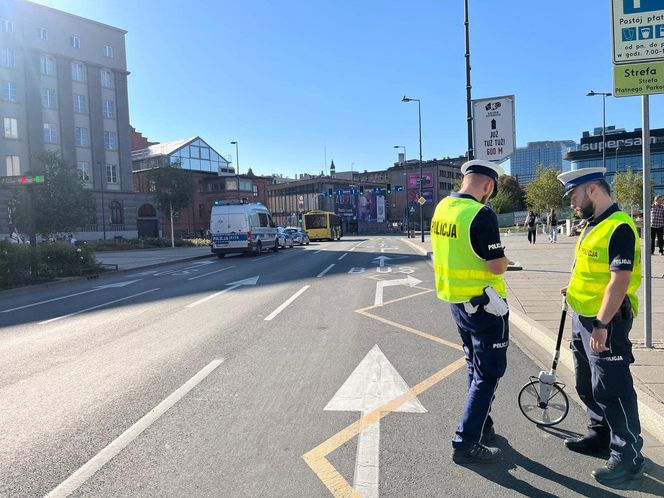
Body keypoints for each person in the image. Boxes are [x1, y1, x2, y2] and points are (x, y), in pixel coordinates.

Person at [557, 167, 644, 486]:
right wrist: (574, 290)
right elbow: (591, 271)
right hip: (583, 317)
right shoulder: (594, 225)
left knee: (613, 390)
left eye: (574, 196)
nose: (572, 204)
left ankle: (628, 457)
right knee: (586, 384)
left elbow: (618, 280)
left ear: (592, 189)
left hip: (606, 322)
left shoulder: (619, 226)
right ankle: (600, 434)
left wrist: (602, 324)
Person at [431, 159, 511, 464]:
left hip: (457, 303)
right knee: (489, 373)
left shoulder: (442, 208)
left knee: (474, 365)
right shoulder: (482, 213)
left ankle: (483, 425)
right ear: (488, 185)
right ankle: (465, 442)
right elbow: (495, 265)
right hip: (486, 308)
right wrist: (504, 261)